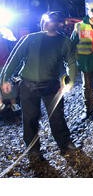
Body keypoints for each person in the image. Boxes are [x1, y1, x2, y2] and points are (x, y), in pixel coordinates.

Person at [0, 11, 77, 163]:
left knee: (56, 116)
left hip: (51, 85)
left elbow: (71, 63)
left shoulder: (64, 42)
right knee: (30, 118)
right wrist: (5, 79)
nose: (51, 25)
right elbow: (14, 59)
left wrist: (70, 81)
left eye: (53, 22)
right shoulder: (30, 39)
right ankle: (34, 151)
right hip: (28, 84)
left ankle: (64, 144)